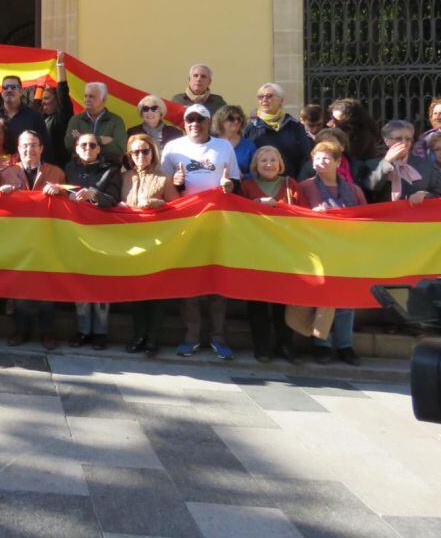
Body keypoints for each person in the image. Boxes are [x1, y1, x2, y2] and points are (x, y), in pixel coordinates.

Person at [161, 104, 240, 359]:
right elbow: (163, 184)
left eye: (200, 119)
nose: (195, 123)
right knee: (190, 282)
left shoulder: (223, 146)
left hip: (217, 223)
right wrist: (177, 183)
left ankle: (218, 338)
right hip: (186, 223)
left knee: (218, 281)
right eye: (190, 119)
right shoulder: (173, 148)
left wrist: (230, 186)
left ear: (208, 122)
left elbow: (235, 182)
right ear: (184, 123)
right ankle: (192, 336)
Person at [299, 140, 367, 365]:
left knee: (346, 300)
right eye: (317, 157)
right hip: (318, 251)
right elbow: (294, 215)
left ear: (338, 162)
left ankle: (345, 345)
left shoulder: (353, 189)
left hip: (346, 251)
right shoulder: (305, 186)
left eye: (327, 158)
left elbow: (365, 218)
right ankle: (322, 344)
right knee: (324, 299)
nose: (321, 162)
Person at [0, 130, 65, 349]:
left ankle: (47, 332)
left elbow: (70, 202)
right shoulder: (7, 173)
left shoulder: (56, 173)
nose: (29, 149)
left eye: (34, 145)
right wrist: (1, 193)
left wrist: (60, 191)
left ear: (41, 148)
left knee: (47, 289)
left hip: (47, 239)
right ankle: (21, 331)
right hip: (20, 240)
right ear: (18, 149)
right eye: (25, 145)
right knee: (21, 288)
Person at [239, 146, 305, 363]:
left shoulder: (290, 185)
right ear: (255, 165)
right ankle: (261, 347)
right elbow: (238, 216)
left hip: (284, 252)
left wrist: (277, 206)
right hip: (255, 252)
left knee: (283, 302)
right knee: (257, 302)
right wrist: (254, 206)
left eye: (273, 160)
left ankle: (285, 345)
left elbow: (304, 214)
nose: (268, 164)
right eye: (263, 160)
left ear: (280, 164)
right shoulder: (247, 186)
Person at [120, 134, 179, 356]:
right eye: (135, 152)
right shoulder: (124, 177)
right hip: (132, 242)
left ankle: (152, 339)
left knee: (156, 294)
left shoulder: (164, 178)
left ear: (153, 153)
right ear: (129, 155)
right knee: (137, 293)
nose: (140, 156)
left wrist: (157, 202)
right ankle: (138, 336)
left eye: (145, 151)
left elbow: (177, 210)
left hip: (157, 243)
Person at [65, 132, 122, 349]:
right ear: (76, 148)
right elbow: (63, 193)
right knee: (80, 286)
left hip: (102, 235)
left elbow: (114, 200)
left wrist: (94, 195)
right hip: (76, 234)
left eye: (92, 145)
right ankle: (82, 331)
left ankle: (100, 333)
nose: (87, 148)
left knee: (99, 286)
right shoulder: (69, 169)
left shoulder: (111, 171)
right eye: (83, 145)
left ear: (99, 148)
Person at [241, 83, 311, 179]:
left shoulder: (294, 126)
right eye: (260, 97)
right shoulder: (250, 126)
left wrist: (298, 182)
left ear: (281, 100)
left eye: (269, 96)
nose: (264, 100)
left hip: (289, 184)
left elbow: (305, 157)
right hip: (258, 185)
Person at [364, 120, 439, 204]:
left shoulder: (425, 164)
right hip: (386, 215)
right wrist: (386, 162)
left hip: (417, 214)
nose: (404, 143)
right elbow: (370, 187)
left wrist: (424, 194)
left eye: (408, 139)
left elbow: (438, 193)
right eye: (399, 139)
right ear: (387, 141)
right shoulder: (372, 164)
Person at [64, 81, 126, 164]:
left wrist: (82, 140)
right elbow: (69, 145)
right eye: (86, 96)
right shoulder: (76, 120)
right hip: (81, 169)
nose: (87, 99)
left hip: (108, 169)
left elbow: (119, 149)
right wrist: (100, 139)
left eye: (91, 96)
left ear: (103, 99)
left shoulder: (116, 121)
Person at [0, 75, 51, 160]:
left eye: (13, 87)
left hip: (28, 170)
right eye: (5, 87)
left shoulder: (34, 117)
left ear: (20, 91)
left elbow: (45, 147)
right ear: (1, 92)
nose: (9, 90)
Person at [327, 98, 382, 163]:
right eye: (333, 118)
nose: (333, 122)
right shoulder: (336, 129)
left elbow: (352, 155)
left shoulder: (363, 134)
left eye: (337, 121)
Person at [214, 104, 256, 179]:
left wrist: (243, 176)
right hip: (214, 187)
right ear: (221, 121)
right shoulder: (212, 142)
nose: (236, 121)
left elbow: (257, 173)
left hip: (241, 188)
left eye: (239, 119)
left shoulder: (249, 145)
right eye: (231, 118)